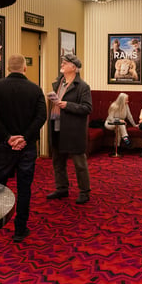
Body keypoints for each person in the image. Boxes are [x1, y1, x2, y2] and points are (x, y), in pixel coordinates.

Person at [0, 54, 47, 243]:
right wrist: (24, 138)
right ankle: (20, 229)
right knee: (24, 187)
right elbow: (41, 117)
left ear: (7, 69)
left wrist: (8, 137)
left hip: (5, 145)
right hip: (27, 147)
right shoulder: (35, 89)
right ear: (24, 68)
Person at [47, 54, 93, 205]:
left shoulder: (83, 87)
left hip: (73, 130)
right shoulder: (58, 83)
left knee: (79, 163)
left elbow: (87, 108)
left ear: (73, 67)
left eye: (65, 63)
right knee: (57, 161)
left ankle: (84, 192)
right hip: (56, 126)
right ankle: (62, 188)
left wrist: (67, 105)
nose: (62, 64)